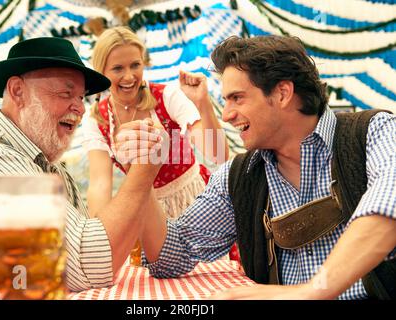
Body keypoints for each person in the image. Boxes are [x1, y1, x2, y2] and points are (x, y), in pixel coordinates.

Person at [125, 35, 396, 300]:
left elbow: (388, 206)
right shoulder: (238, 177)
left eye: (237, 98)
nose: (227, 115)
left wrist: (314, 290)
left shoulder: (374, 132)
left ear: (282, 93)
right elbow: (170, 257)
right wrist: (142, 172)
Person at [0, 37, 163, 299]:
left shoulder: (51, 170)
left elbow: (81, 258)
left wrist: (139, 169)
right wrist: (143, 170)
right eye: (65, 93)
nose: (80, 108)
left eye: (82, 97)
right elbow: (90, 265)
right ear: (17, 91)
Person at [81, 26, 229, 219]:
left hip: (194, 201)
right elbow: (100, 184)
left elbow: (217, 155)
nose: (129, 76)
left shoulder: (166, 96)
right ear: (101, 71)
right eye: (118, 68)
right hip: (147, 212)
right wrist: (99, 235)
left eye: (135, 65)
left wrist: (203, 103)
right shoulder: (96, 120)